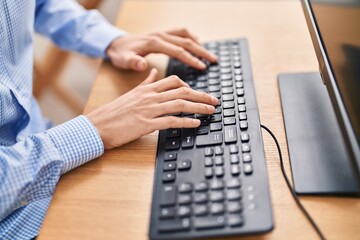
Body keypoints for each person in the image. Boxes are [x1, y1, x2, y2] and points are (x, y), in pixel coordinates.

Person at [0, 0, 218, 239]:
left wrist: (110, 40)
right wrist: (93, 130)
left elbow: (39, 4)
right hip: (18, 222)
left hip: (45, 147)